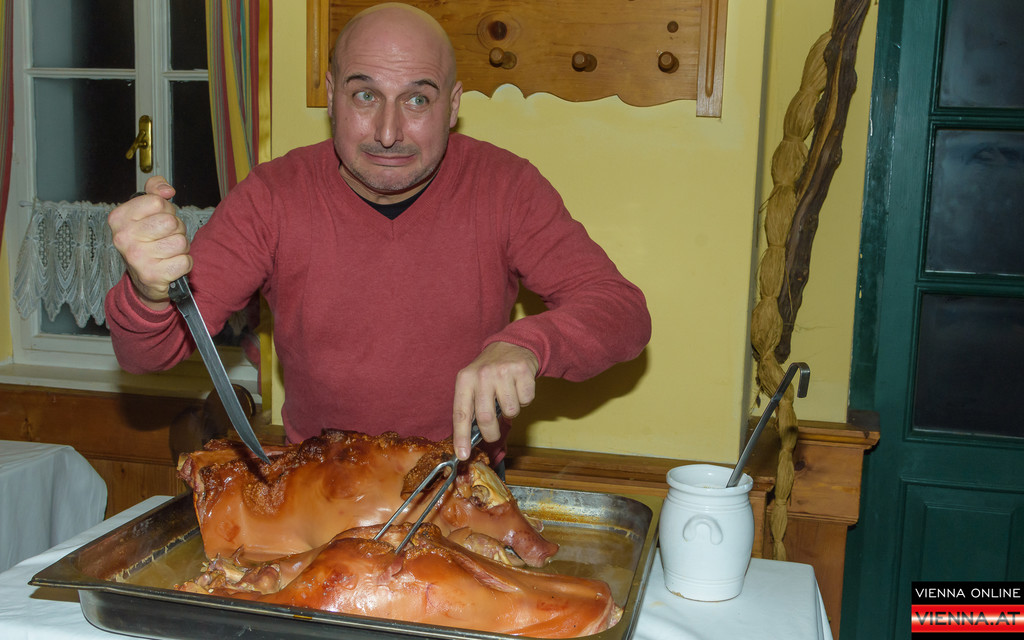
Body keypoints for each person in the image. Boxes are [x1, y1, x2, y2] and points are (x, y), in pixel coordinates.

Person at [105, 2, 651, 466]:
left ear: (453, 106)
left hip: (460, 488)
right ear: (331, 95)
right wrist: (148, 292)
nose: (389, 133)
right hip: (317, 488)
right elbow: (146, 355)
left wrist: (527, 344)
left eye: (417, 99)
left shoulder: (506, 186)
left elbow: (622, 313)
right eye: (365, 96)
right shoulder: (273, 196)